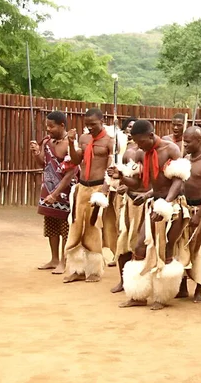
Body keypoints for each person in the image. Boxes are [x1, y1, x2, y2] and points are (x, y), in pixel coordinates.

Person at [112, 120, 191, 310]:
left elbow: (178, 182)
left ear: (151, 135)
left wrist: (166, 204)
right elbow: (138, 183)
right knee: (139, 247)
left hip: (173, 206)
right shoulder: (141, 153)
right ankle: (138, 295)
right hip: (154, 204)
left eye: (142, 142)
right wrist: (121, 176)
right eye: (136, 143)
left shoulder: (171, 149)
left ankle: (161, 297)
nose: (139, 146)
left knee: (165, 250)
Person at [63, 108, 113, 283]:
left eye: (93, 124)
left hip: (97, 188)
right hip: (82, 188)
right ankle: (76, 269)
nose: (90, 128)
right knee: (76, 225)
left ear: (102, 120)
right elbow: (77, 161)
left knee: (93, 226)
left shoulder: (110, 141)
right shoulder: (84, 139)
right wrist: (71, 142)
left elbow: (111, 169)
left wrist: (104, 191)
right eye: (87, 125)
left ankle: (93, 271)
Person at [173, 126, 201, 303]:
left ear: (199, 141)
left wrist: (200, 214)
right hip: (185, 208)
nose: (185, 144)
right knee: (182, 247)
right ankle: (183, 287)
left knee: (200, 249)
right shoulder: (185, 159)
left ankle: (199, 287)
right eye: (184, 141)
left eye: (188, 141)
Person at [30, 111, 79, 274]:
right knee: (51, 225)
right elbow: (42, 164)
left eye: (52, 126)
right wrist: (36, 152)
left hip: (65, 191)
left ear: (62, 125)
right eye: (47, 126)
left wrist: (56, 194)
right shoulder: (46, 141)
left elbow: (71, 173)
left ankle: (64, 262)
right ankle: (54, 259)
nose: (48, 129)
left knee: (65, 226)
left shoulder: (70, 144)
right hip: (48, 187)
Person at [110, 131, 146, 293]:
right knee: (123, 240)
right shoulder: (128, 153)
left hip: (147, 203)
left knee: (142, 244)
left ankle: (141, 284)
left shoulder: (156, 155)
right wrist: (122, 182)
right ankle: (123, 280)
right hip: (130, 202)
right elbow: (126, 180)